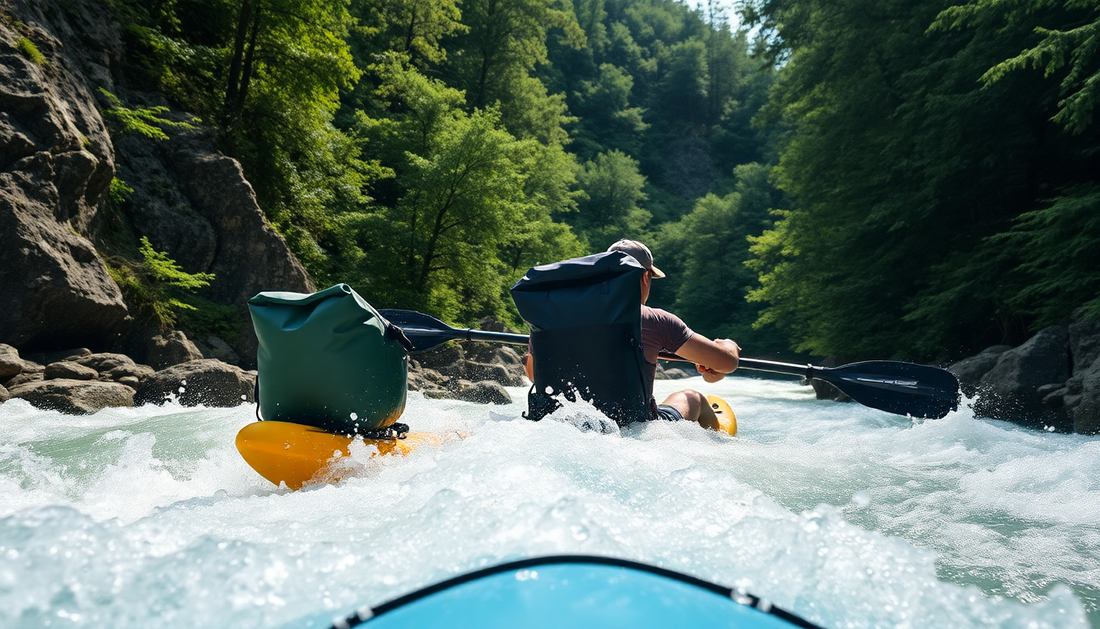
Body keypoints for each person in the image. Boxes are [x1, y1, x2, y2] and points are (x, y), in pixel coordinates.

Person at [524, 239, 741, 430]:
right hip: (632, 429)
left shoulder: (554, 317)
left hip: (563, 426)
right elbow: (727, 363)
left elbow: (534, 375)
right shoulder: (656, 321)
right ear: (645, 277)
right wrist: (729, 346)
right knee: (692, 398)